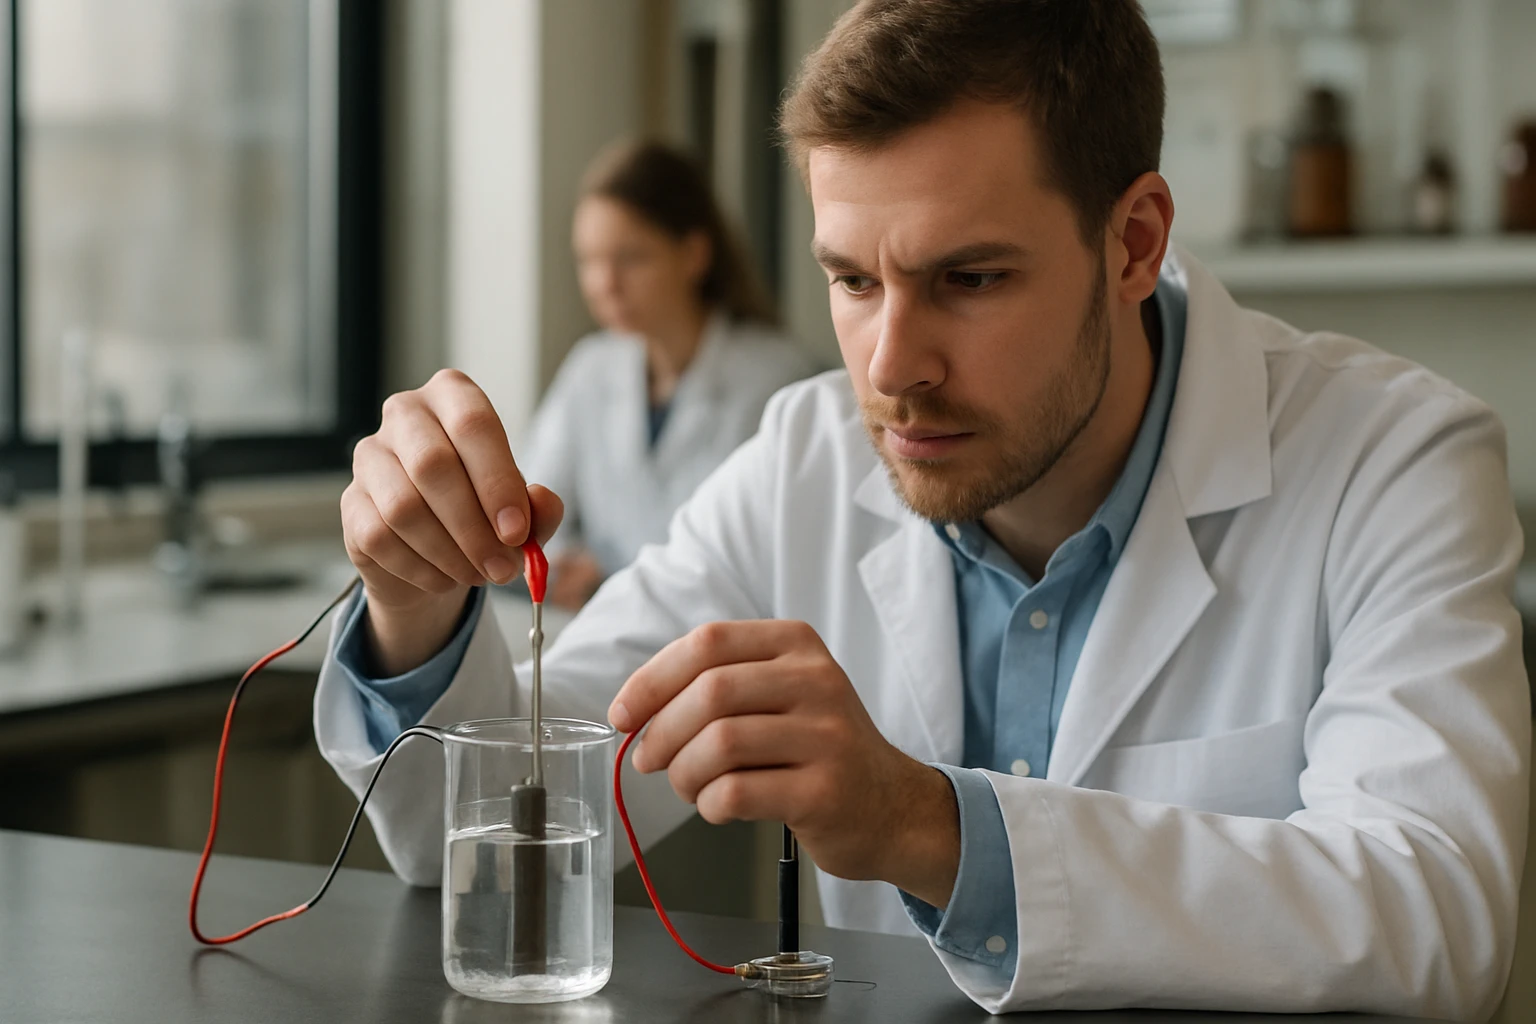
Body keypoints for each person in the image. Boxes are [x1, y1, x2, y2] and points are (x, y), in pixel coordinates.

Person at [318, 1, 1530, 1018]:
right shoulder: (800, 461)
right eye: (852, 279)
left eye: (970, 279)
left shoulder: (1395, 459)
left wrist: (928, 824)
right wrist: (413, 608)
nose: (892, 366)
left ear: (1134, 242)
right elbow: (472, 841)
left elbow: (1437, 914)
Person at [517, 140, 814, 609]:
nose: (604, 284)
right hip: (599, 633)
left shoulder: (778, 381)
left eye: (629, 258)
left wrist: (612, 578)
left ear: (694, 254)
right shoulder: (589, 370)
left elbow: (771, 561)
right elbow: (531, 510)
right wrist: (569, 566)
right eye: (589, 261)